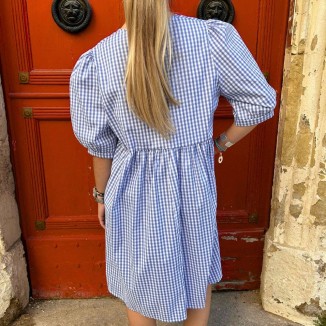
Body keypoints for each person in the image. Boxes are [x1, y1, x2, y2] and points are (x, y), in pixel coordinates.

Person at [69, 0, 276, 325]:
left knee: (138, 273)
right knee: (196, 263)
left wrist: (100, 196)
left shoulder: (98, 61)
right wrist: (219, 142)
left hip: (130, 185)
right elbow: (260, 102)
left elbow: (101, 146)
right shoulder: (211, 39)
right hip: (193, 179)